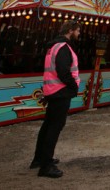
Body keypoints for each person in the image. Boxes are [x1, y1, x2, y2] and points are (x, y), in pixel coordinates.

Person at [31, 21, 81, 178]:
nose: (79, 33)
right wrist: (73, 86)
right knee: (55, 127)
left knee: (47, 126)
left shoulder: (53, 46)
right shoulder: (64, 48)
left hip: (52, 91)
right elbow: (63, 71)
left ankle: (39, 159)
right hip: (60, 91)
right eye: (78, 30)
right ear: (71, 30)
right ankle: (46, 166)